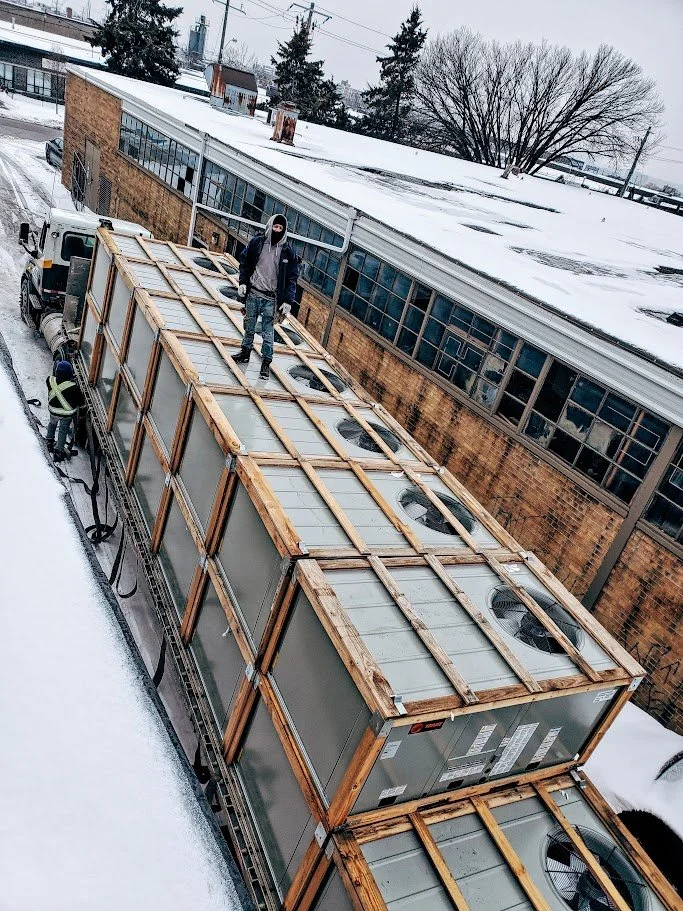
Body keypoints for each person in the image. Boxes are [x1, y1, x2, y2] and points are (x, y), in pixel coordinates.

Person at [234, 213, 299, 380]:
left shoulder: (287, 251)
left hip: (272, 299)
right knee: (249, 326)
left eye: (280, 228)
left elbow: (292, 278)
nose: (277, 230)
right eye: (275, 227)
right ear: (269, 226)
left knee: (267, 333)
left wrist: (288, 301)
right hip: (253, 293)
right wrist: (242, 282)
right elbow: (245, 263)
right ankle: (245, 353)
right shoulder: (257, 243)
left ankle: (265, 364)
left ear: (284, 231)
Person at [46, 360, 84, 462]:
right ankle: (59, 451)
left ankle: (49, 441)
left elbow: (57, 382)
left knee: (52, 424)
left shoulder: (49, 380)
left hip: (53, 411)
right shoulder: (73, 387)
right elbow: (80, 401)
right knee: (63, 431)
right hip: (66, 414)